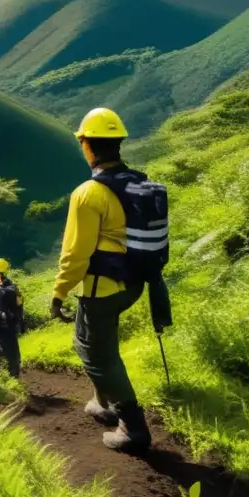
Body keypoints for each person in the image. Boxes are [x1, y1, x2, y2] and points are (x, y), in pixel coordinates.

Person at [49, 108, 153, 453]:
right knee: (90, 344)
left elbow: (75, 255)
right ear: (119, 144)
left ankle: (132, 426)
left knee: (98, 356)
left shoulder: (88, 193)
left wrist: (59, 293)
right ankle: (101, 403)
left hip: (102, 288)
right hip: (135, 283)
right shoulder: (139, 181)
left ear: (87, 146)